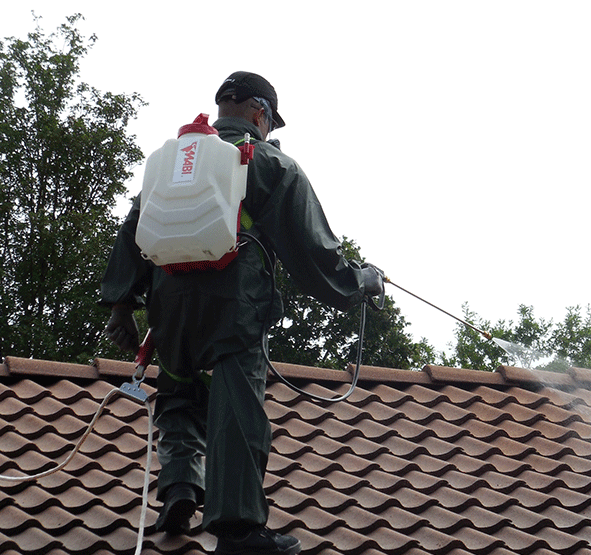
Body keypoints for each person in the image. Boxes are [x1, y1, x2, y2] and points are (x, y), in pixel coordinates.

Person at [100, 71, 383, 555]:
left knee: (178, 392)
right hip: (233, 304)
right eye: (270, 120)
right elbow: (314, 253)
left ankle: (180, 489)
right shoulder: (273, 164)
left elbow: (133, 228)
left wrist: (122, 306)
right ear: (258, 112)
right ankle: (236, 530)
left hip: (169, 305)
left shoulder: (174, 164)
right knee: (236, 406)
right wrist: (361, 283)